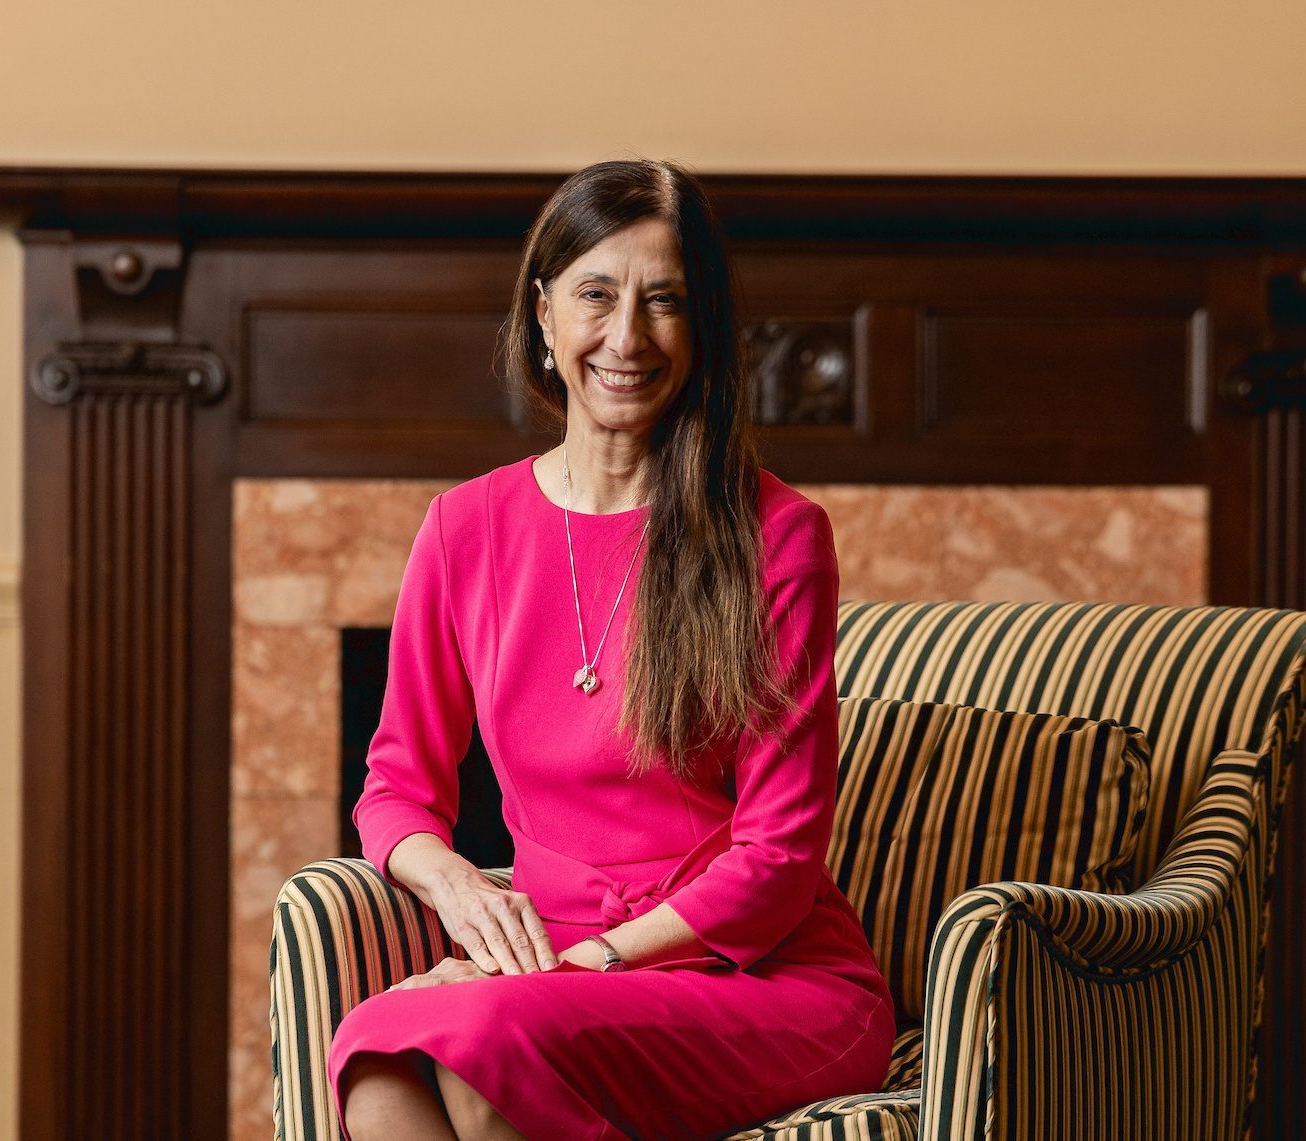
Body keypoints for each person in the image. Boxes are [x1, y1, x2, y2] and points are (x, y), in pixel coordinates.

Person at [330, 159, 894, 1141]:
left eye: (663, 301)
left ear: (702, 325)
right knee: (380, 1059)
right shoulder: (465, 527)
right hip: (552, 966)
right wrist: (459, 887)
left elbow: (780, 857)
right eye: (596, 294)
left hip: (759, 977)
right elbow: (394, 788)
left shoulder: (776, 535)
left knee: (483, 1046)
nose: (625, 337)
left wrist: (582, 965)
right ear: (544, 316)